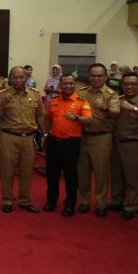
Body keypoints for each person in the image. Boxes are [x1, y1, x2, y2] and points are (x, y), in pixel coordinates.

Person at [0, 66, 46, 213]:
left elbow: (40, 116)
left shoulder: (35, 94)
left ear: (26, 78)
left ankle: (25, 200)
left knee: (27, 172)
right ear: (10, 78)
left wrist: (44, 134)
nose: (18, 80)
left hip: (29, 138)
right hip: (9, 137)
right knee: (7, 171)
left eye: (21, 77)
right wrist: (3, 103)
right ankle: (7, 200)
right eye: (15, 77)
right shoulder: (3, 94)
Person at [108, 72, 138, 220]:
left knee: (132, 177)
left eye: (133, 84)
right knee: (116, 176)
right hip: (117, 142)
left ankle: (131, 206)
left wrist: (133, 108)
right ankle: (117, 201)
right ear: (122, 85)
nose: (129, 87)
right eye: (126, 84)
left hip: (135, 144)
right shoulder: (118, 100)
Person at [76, 63, 120, 216]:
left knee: (101, 173)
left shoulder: (111, 95)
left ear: (106, 77)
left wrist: (104, 108)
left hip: (102, 138)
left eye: (99, 76)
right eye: (93, 75)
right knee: (82, 172)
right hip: (83, 136)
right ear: (88, 77)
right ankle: (84, 201)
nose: (96, 78)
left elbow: (116, 113)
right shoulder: (81, 92)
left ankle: (101, 204)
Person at [43, 73, 90, 217]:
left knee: (71, 176)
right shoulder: (54, 101)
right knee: (52, 175)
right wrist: (45, 135)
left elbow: (89, 120)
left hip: (71, 144)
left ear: (74, 85)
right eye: (65, 83)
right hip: (53, 142)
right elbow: (48, 119)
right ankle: (51, 201)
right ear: (60, 85)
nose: (68, 86)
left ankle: (69, 205)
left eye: (71, 83)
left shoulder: (82, 101)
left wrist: (75, 117)